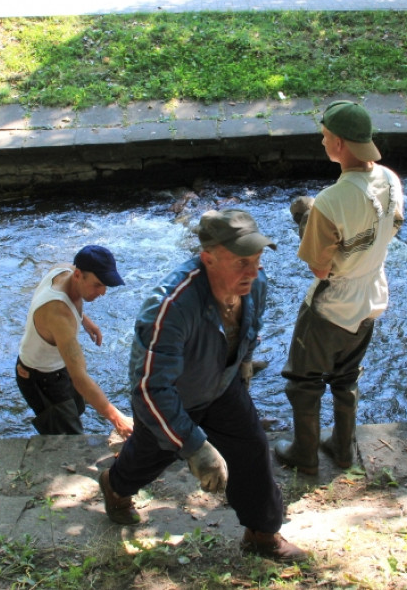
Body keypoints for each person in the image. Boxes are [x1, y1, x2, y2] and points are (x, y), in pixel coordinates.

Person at [98, 209, 307, 563]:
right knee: (150, 458)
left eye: (256, 259)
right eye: (242, 261)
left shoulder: (256, 283)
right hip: (171, 400)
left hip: (221, 386)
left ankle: (261, 533)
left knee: (252, 447)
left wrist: (242, 366)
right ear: (207, 258)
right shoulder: (171, 305)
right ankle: (115, 486)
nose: (253, 271)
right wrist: (195, 447)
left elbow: (249, 327)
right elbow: (149, 388)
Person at [274, 101, 404, 475]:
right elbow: (394, 225)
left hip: (331, 306)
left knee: (304, 381)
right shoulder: (390, 180)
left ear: (341, 144)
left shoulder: (330, 202)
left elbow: (319, 266)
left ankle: (305, 454)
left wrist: (306, 222)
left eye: (326, 136)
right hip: (372, 296)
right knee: (346, 377)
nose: (322, 141)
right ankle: (343, 450)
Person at [15, 245, 134, 439]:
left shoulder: (64, 270)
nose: (103, 292)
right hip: (39, 378)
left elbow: (66, 301)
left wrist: (83, 320)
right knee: (69, 438)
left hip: (57, 368)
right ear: (78, 275)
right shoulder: (59, 315)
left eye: (105, 285)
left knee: (77, 407)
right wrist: (117, 419)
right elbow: (79, 377)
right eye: (97, 285)